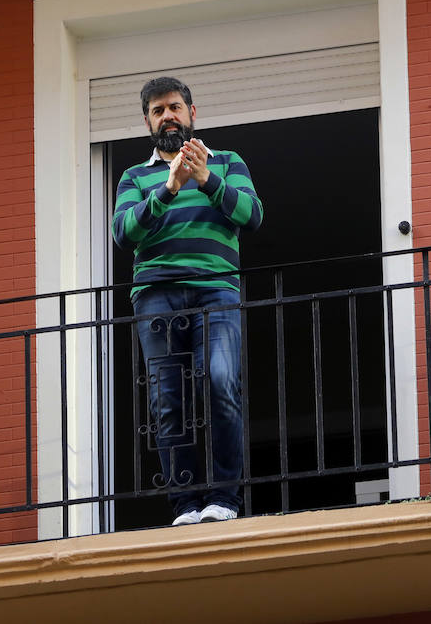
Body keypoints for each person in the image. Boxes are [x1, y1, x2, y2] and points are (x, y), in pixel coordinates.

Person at [111, 76, 263, 526]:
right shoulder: (135, 177)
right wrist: (170, 188)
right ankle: (186, 505)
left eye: (174, 107)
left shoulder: (227, 162)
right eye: (158, 111)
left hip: (216, 287)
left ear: (192, 113)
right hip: (156, 294)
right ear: (147, 122)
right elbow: (124, 232)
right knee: (167, 400)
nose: (167, 116)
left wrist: (205, 179)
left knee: (220, 381)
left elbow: (252, 215)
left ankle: (224, 499)